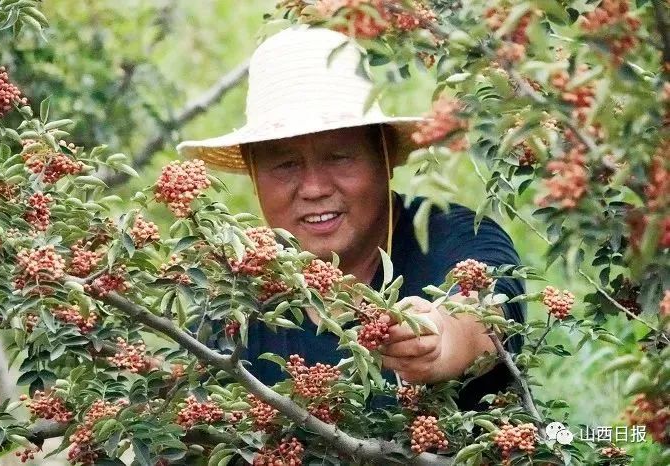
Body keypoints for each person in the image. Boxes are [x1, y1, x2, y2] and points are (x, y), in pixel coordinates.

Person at [177, 25, 525, 411]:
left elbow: (484, 318)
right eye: (285, 164)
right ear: (255, 174)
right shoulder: (230, 300)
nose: (313, 188)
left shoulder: (455, 237)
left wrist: (436, 340)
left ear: (385, 156)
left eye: (339, 157)